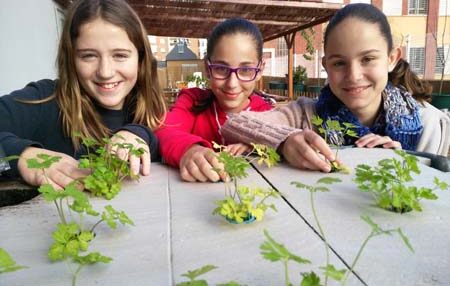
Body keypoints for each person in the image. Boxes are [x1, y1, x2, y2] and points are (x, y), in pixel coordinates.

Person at [221, 3, 450, 173]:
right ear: (326, 66)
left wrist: (404, 159)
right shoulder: (305, 115)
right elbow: (235, 124)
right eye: (339, 63)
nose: (354, 75)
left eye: (368, 59)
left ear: (392, 58)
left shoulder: (429, 124)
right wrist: (285, 141)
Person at [0, 0, 166, 189]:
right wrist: (22, 155)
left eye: (120, 55)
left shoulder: (150, 110)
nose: (105, 71)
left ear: (141, 59)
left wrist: (140, 133)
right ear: (71, 59)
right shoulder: (45, 100)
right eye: (88, 56)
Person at [155, 18, 273, 182]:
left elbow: (283, 142)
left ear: (260, 70)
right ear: (207, 68)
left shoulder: (268, 114)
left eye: (245, 70)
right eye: (221, 69)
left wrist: (256, 146)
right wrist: (190, 150)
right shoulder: (192, 101)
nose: (232, 84)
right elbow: (164, 130)